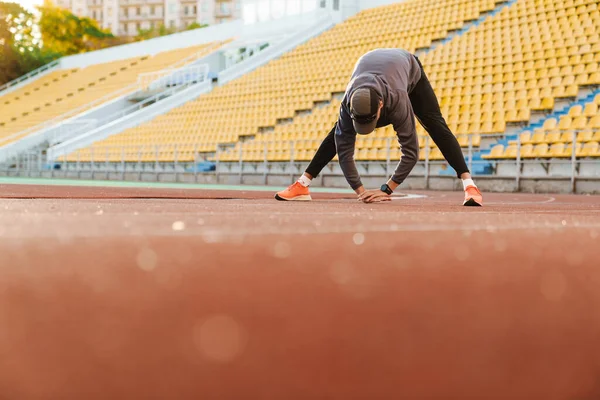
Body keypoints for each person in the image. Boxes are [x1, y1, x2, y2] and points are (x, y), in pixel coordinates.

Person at [274, 48, 483, 206]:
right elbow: (344, 150)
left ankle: (469, 185)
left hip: (407, 68)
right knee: (338, 133)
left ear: (381, 106)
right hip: (371, 69)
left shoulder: (398, 100)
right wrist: (361, 191)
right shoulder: (348, 101)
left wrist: (387, 189)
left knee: (435, 125)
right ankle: (303, 184)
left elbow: (410, 152)